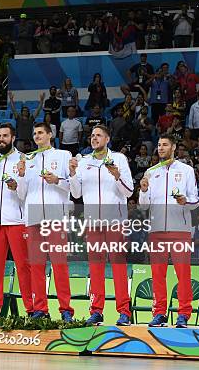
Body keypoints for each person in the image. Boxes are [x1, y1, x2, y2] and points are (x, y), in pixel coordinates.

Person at [70, 125, 134, 326]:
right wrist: (72, 174)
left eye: (98, 135)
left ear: (107, 139)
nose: (94, 138)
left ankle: (124, 311)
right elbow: (77, 194)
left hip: (115, 222)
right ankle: (96, 310)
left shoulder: (119, 159)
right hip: (92, 223)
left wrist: (117, 175)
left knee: (118, 267)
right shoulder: (84, 161)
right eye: (92, 135)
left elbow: (129, 192)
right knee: (95, 267)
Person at [139, 134, 199, 328]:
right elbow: (142, 206)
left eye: (165, 145)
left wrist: (185, 201)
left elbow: (195, 201)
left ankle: (183, 314)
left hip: (180, 230)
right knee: (158, 274)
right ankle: (159, 313)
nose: (161, 148)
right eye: (158, 145)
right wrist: (144, 190)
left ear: (174, 147)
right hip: (156, 231)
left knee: (183, 274)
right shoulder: (150, 171)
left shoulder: (187, 170)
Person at [17, 122, 74, 321]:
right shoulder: (28, 158)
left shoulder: (63, 156)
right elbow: (21, 193)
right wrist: (22, 175)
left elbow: (73, 188)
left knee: (59, 265)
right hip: (33, 219)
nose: (37, 136)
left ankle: (66, 309)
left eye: (41, 132)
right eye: (34, 133)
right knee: (36, 266)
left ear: (50, 134)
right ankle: (41, 309)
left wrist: (57, 180)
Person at [0, 123, 33, 317]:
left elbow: (26, 193)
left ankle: (31, 308)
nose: (1, 139)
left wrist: (16, 186)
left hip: (17, 220)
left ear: (13, 138)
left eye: (5, 136)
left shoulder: (23, 159)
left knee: (23, 266)